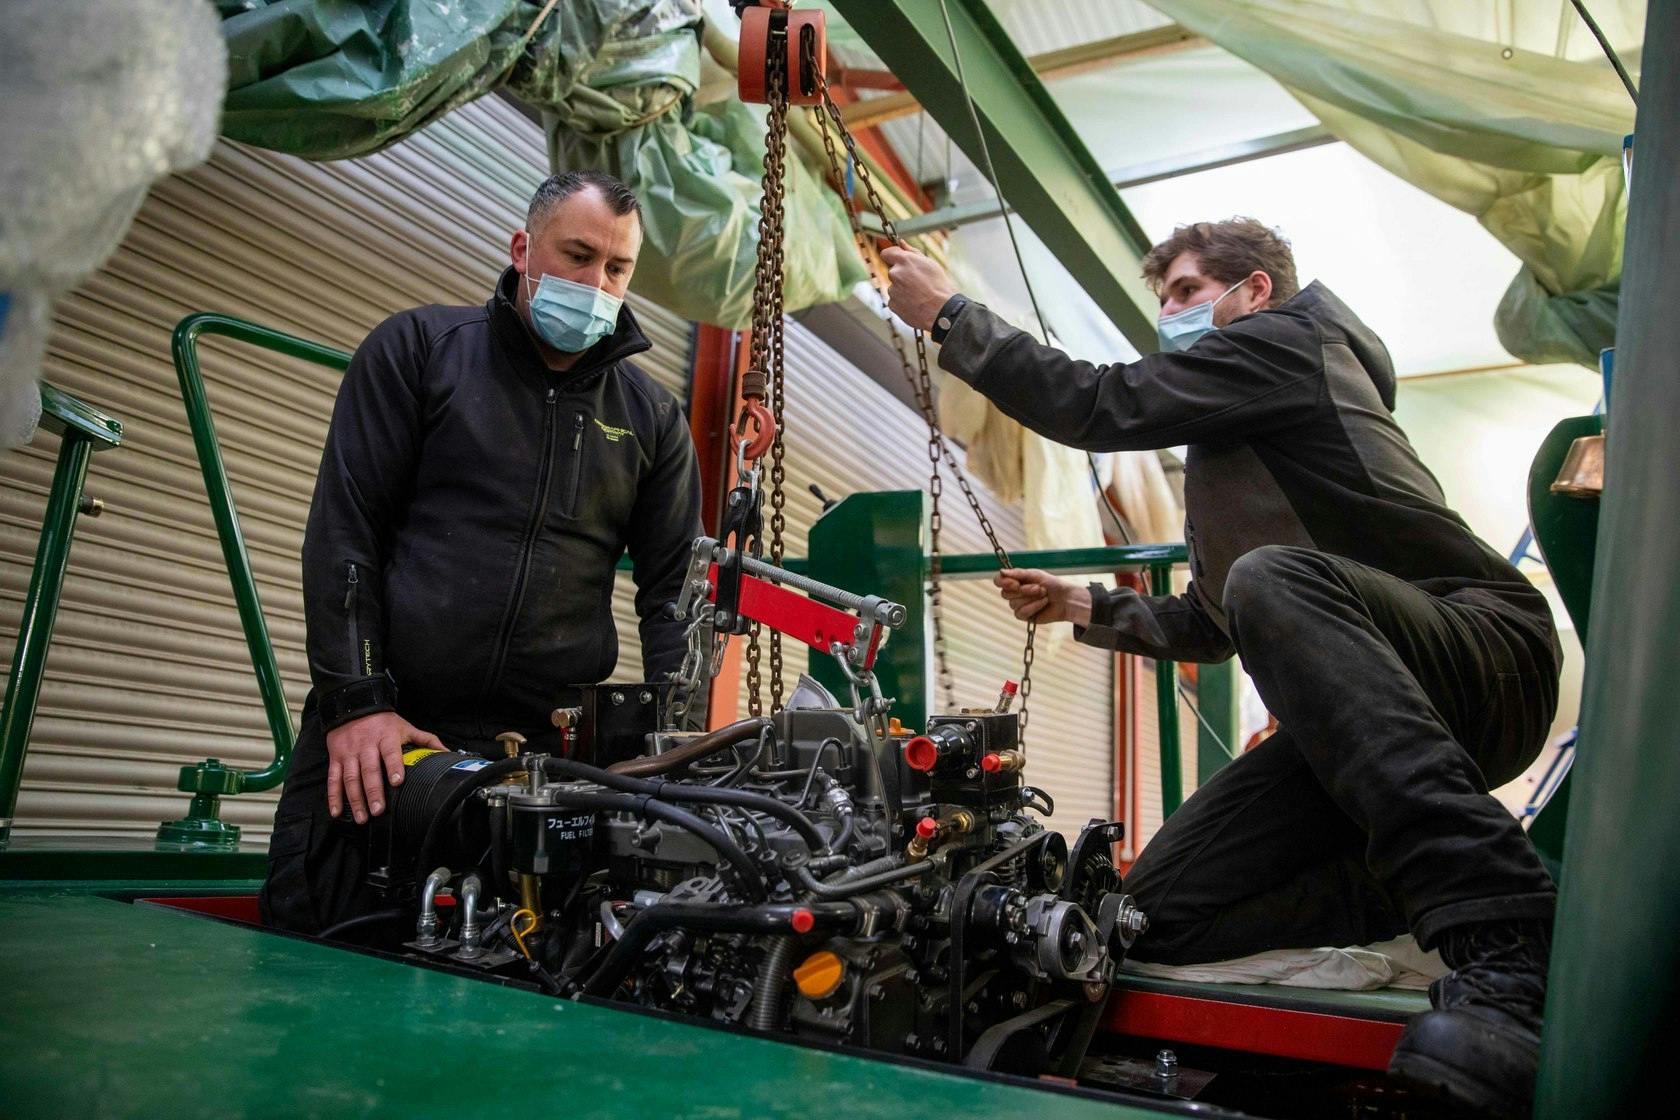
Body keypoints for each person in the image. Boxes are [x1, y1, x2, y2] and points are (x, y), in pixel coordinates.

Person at [883, 219, 1560, 1117]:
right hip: (1369, 718)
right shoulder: (1229, 454)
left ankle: (1508, 937)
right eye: (1161, 298)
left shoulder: (1292, 342)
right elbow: (1214, 621)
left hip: (1483, 655)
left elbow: (1097, 404)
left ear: (1254, 294)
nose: (1169, 313)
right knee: (1146, 916)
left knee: (1269, 578)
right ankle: (1402, 890)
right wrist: (1082, 604)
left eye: (1188, 292)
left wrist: (950, 317)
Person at [261, 171, 703, 936]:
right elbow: (345, 534)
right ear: (523, 248)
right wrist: (358, 704)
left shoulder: (652, 419)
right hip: (385, 742)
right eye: (577, 255)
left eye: (617, 268)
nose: (597, 282)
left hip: (542, 766)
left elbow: (674, 596)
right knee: (317, 971)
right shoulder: (421, 350)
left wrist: (678, 743)